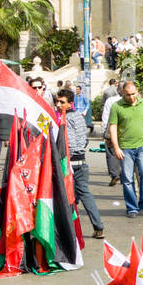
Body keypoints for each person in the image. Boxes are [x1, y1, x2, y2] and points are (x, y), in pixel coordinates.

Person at [55, 88, 105, 240]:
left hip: (69, 163)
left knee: (66, 197)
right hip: (81, 162)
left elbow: (70, 142)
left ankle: (66, 231)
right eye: (57, 101)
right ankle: (98, 227)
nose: (58, 104)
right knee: (83, 194)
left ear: (70, 104)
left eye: (62, 102)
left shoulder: (66, 119)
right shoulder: (78, 118)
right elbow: (84, 140)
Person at [109, 80, 143, 218]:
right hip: (125, 148)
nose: (131, 97)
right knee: (128, 179)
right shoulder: (116, 106)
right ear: (123, 93)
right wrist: (116, 147)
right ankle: (132, 208)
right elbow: (113, 127)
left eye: (134, 94)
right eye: (128, 95)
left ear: (138, 92)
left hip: (142, 146)